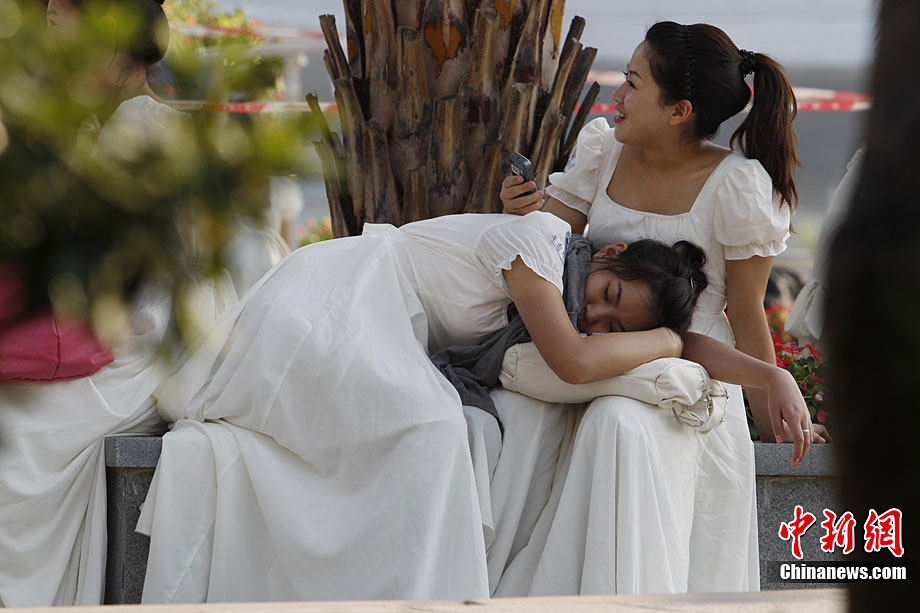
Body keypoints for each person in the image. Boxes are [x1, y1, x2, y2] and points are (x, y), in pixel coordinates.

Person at [138, 209, 733, 602]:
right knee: (431, 429)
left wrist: (764, 376)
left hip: (390, 330)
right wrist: (667, 343)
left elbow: (612, 352)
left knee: (444, 433)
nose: (596, 316)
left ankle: (398, 591)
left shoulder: (567, 288)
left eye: (613, 327)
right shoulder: (539, 244)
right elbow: (574, 361)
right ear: (612, 252)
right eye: (608, 295)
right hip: (344, 299)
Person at [490, 21, 826, 596]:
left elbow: (747, 313)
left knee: (617, 424)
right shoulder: (603, 151)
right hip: (593, 361)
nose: (616, 96)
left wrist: (773, 416)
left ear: (679, 111)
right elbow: (548, 253)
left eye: (633, 84)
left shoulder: (738, 186)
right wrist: (519, 211)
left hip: (687, 380)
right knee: (537, 416)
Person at [0, 1, 285, 605]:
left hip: (132, 360)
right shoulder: (99, 128)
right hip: (108, 344)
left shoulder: (142, 131)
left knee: (15, 438)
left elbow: (134, 304)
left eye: (62, 32)